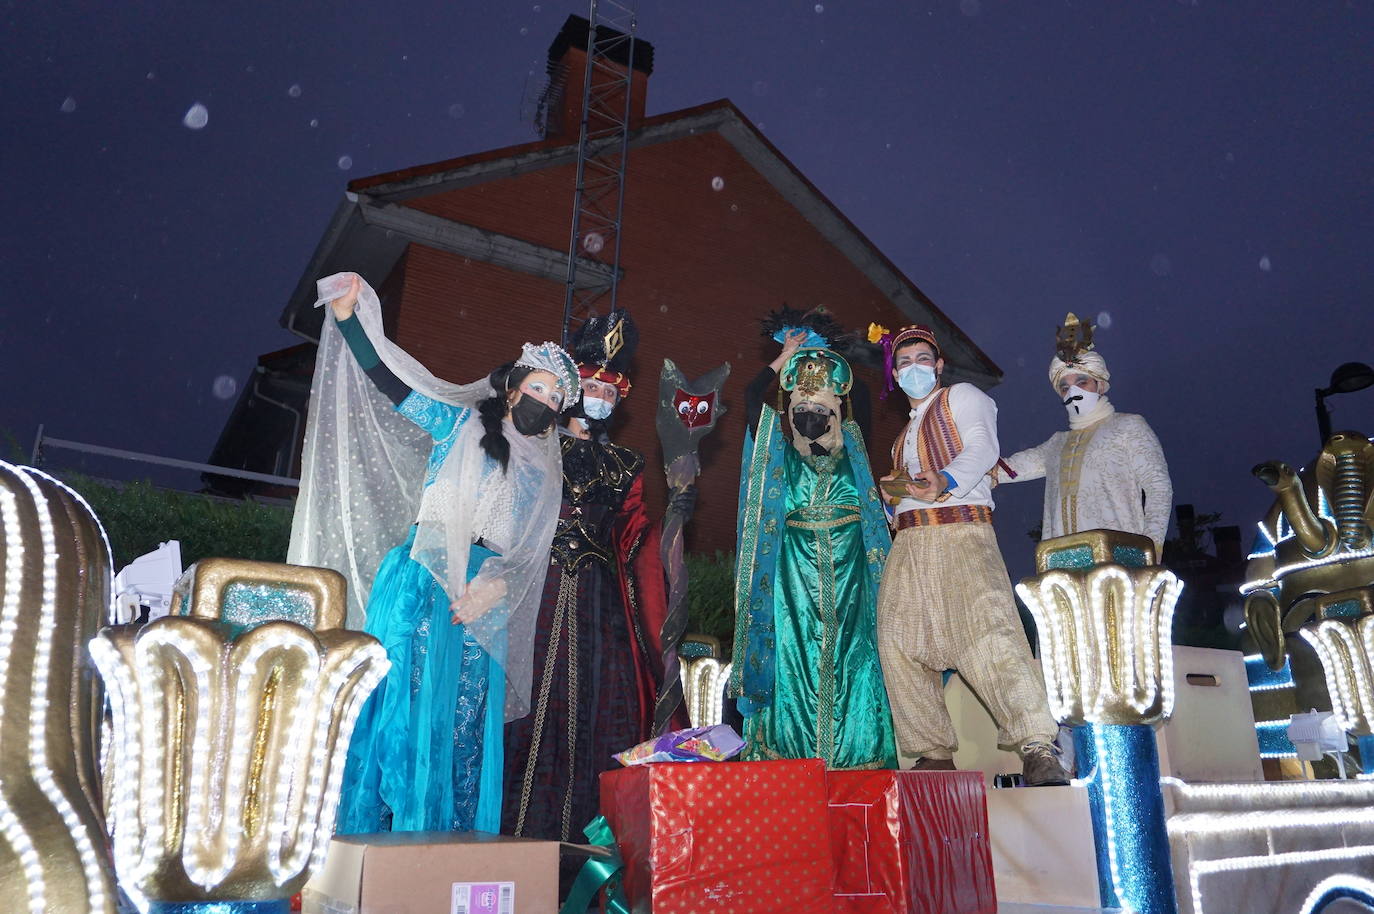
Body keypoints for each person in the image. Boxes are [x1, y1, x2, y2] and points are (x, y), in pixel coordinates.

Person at [288, 272, 578, 834]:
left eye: (555, 396)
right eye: (537, 388)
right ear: (514, 388)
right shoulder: (458, 423)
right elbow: (389, 383)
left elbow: (528, 551)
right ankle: (375, 848)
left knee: (461, 725)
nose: (544, 401)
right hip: (423, 578)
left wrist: (495, 587)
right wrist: (350, 318)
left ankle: (449, 852)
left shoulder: (544, 471)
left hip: (480, 596)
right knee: (402, 711)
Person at [871, 323, 1068, 785]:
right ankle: (932, 752)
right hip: (911, 543)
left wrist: (947, 479)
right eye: (904, 363)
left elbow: (983, 447)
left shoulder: (963, 397)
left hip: (962, 531)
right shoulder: (902, 437)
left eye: (922, 359)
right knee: (898, 641)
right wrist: (889, 498)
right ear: (895, 375)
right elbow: (904, 498)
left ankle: (1038, 746)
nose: (913, 368)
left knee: (991, 635)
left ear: (938, 366)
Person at [503, 308, 670, 848]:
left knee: (597, 708)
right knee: (529, 707)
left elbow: (636, 537)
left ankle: (583, 846)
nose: (599, 396)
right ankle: (514, 837)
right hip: (538, 586)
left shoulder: (626, 462)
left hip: (600, 602)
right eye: (591, 385)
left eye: (610, 390)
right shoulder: (536, 441)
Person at [731, 316, 897, 770]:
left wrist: (824, 360)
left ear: (837, 412)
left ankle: (857, 758)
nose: (811, 414)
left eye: (821, 407)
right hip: (792, 580)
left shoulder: (855, 451)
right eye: (800, 406)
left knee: (856, 662)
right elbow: (750, 399)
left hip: (853, 577)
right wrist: (784, 360)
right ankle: (791, 758)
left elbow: (859, 394)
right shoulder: (777, 456)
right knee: (793, 662)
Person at [998, 312, 1172, 554]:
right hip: (1061, 558)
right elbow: (1006, 470)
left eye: (1082, 382)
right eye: (1065, 386)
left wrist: (1150, 547)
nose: (1073, 392)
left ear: (1099, 384)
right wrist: (951, 472)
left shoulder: (1128, 426)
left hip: (1120, 554)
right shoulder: (1056, 444)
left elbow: (1158, 486)